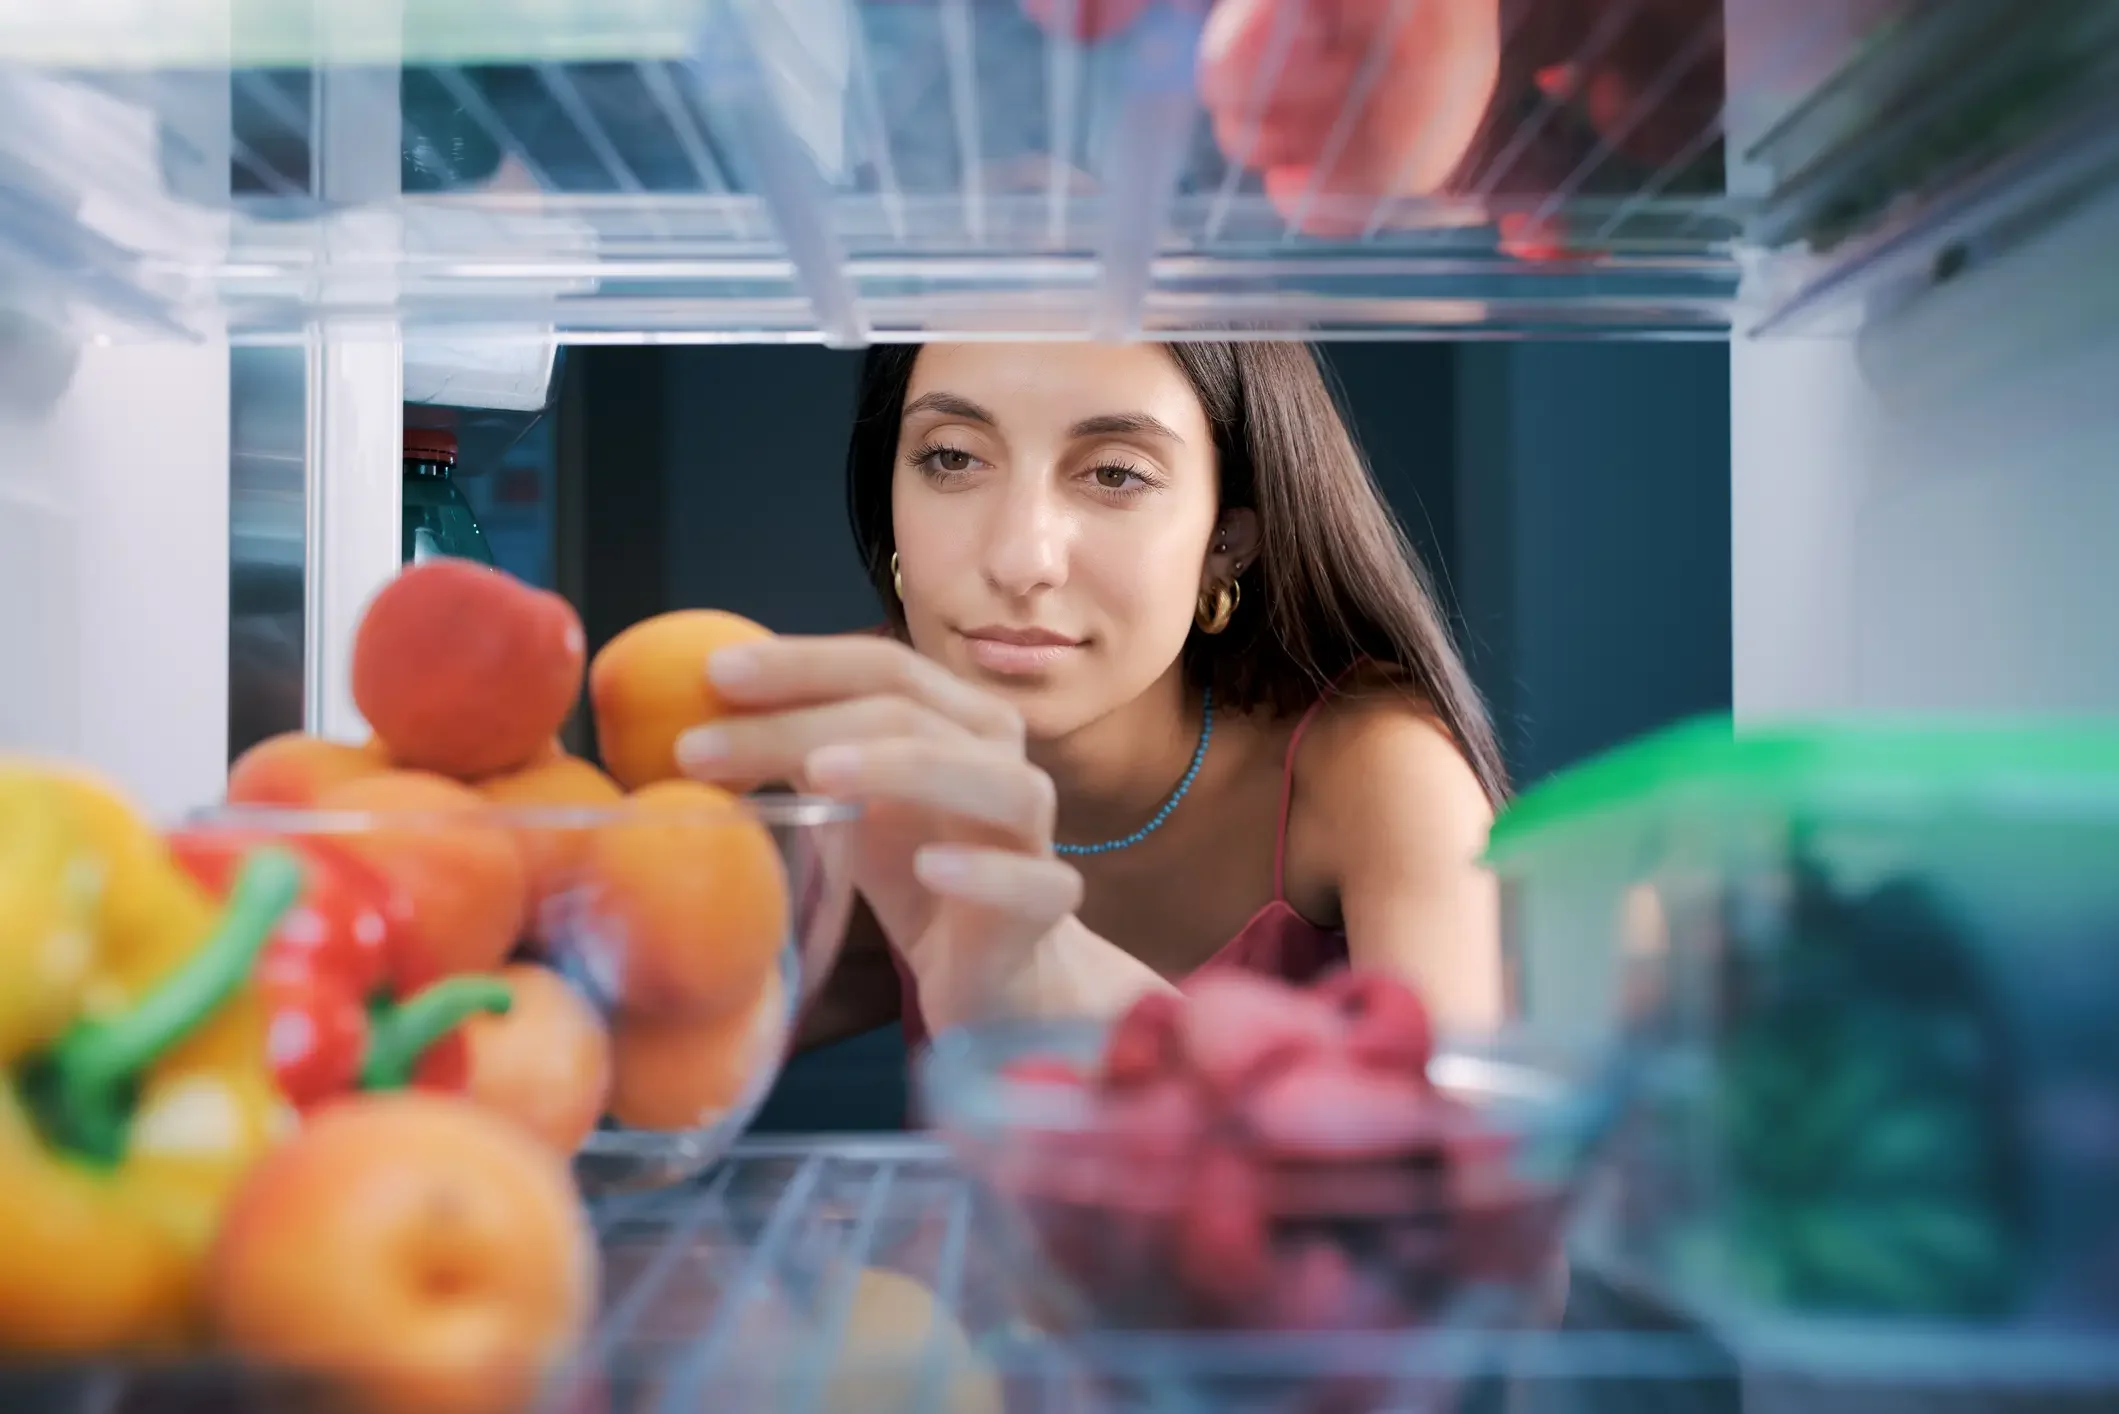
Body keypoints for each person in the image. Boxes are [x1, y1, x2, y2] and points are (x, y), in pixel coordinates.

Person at [677, 341, 1508, 1046]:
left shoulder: (1383, 772)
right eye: (952, 457)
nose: (1019, 557)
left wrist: (1057, 977)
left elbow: (1467, 1203)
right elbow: (641, 1054)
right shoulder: (859, 747)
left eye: (1114, 473)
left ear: (1226, 541)